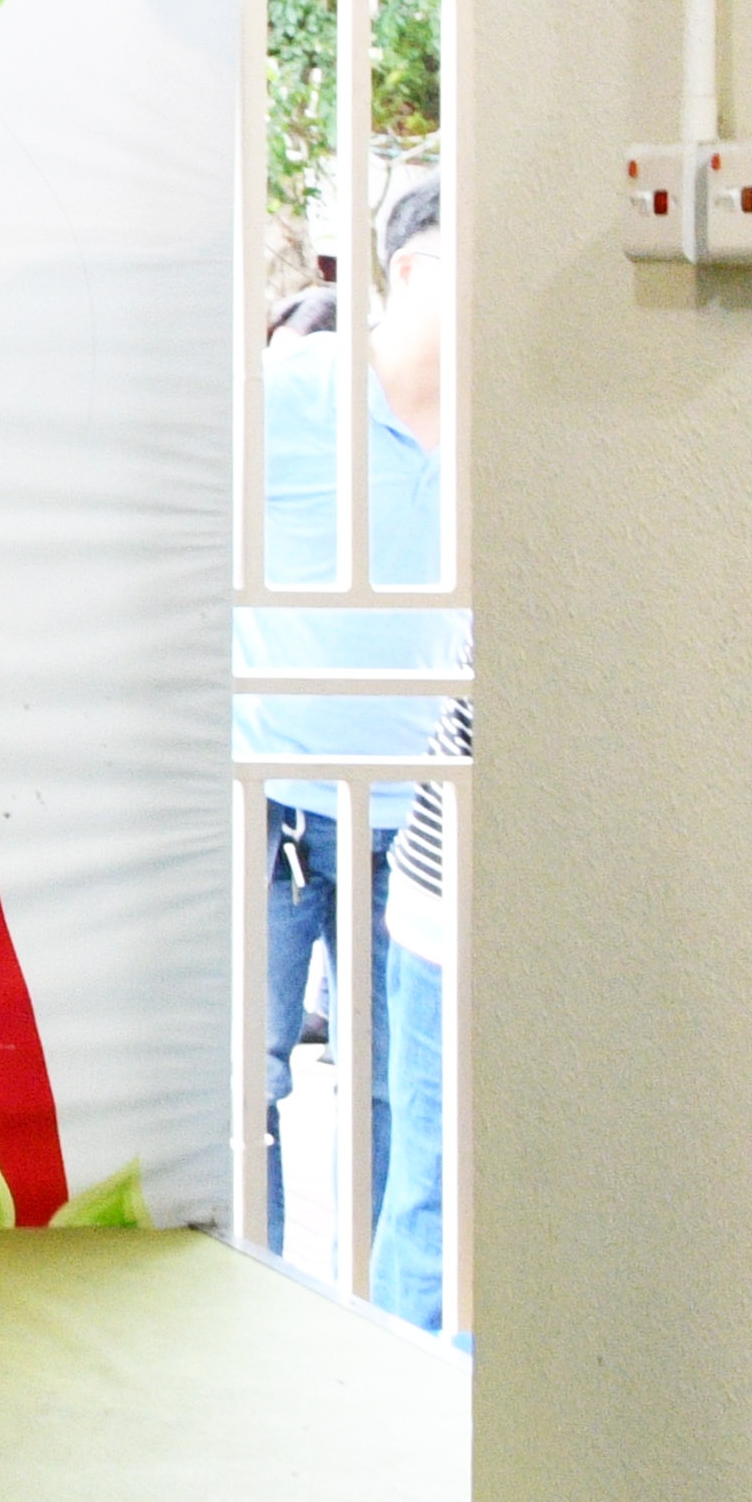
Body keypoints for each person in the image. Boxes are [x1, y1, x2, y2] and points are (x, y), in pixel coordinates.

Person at [237, 173, 460, 1319]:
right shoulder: (292, 394)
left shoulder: (508, 429)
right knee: (246, 1085)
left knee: (391, 1101)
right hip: (271, 803)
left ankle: (369, 1340)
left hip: (418, 830)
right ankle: (251, 1316)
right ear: (413, 271)